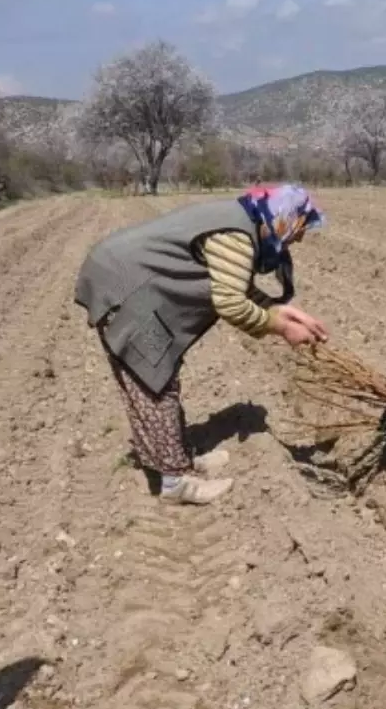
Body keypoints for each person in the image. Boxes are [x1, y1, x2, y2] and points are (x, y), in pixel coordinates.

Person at [74, 183, 329, 505]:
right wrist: (280, 328)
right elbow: (231, 304)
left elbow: (234, 285)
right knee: (154, 380)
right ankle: (175, 481)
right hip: (122, 285)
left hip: (125, 278)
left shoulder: (244, 221)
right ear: (282, 218)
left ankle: (175, 457)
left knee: (155, 376)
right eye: (300, 227)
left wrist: (281, 311)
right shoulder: (236, 235)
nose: (301, 237)